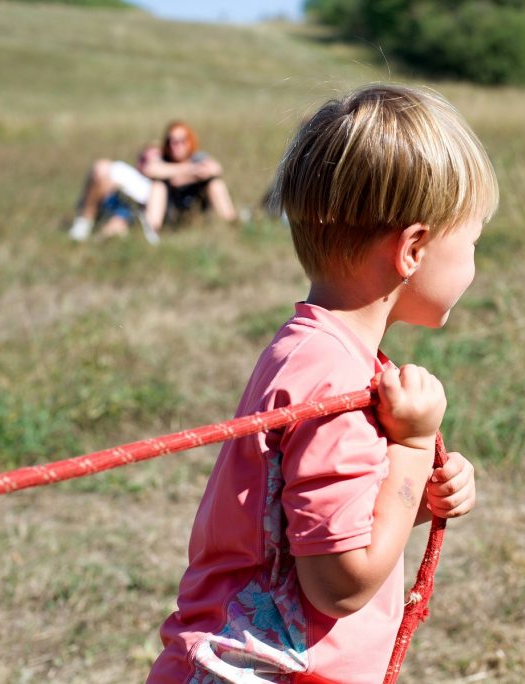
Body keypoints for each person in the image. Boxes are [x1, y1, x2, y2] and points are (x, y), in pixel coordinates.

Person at [146, 84, 498, 684]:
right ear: (413, 249)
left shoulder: (312, 350)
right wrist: (413, 448)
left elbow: (308, 533)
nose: (474, 264)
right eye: (472, 243)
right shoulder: (333, 381)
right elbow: (340, 584)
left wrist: (416, 498)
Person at [142, 120, 237, 232]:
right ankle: (151, 230)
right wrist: (191, 170)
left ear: (189, 142)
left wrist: (173, 175)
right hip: (171, 208)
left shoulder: (198, 157)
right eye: (172, 141)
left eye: (181, 141)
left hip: (197, 204)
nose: (175, 146)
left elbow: (216, 169)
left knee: (216, 184)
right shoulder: (163, 158)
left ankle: (231, 224)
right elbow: (150, 169)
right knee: (158, 187)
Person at [68, 142, 161, 242]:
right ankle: (85, 225)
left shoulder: (157, 187)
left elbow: (154, 221)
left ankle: (89, 236)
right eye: (143, 159)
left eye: (151, 161)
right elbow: (101, 169)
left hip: (131, 215)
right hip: (112, 205)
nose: (146, 165)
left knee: (115, 228)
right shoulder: (129, 174)